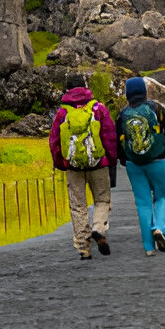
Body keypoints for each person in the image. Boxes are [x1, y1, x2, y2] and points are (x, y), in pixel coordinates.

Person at [49, 73, 117, 260]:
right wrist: (110, 159)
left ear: (67, 89)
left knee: (77, 205)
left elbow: (54, 140)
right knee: (102, 199)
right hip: (98, 163)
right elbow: (109, 135)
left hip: (73, 166)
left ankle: (83, 248)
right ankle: (98, 228)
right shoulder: (98, 108)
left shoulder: (62, 113)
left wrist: (61, 163)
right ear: (85, 86)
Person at [116, 76, 165, 255]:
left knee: (142, 204)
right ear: (144, 91)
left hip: (133, 164)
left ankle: (149, 247)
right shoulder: (155, 107)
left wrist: (123, 160)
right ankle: (160, 229)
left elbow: (117, 141)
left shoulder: (122, 113)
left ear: (127, 92)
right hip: (157, 159)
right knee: (161, 197)